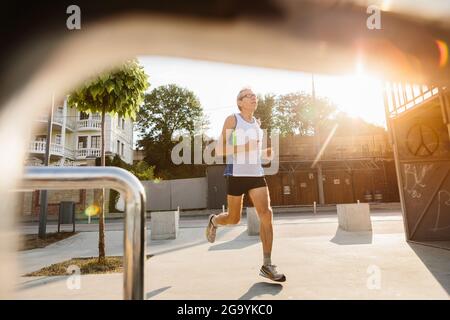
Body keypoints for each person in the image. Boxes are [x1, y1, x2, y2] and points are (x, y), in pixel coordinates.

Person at [205, 87, 286, 282]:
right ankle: (214, 221)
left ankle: (267, 265)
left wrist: (263, 154)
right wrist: (245, 147)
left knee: (266, 214)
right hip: (236, 174)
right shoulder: (233, 119)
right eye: (248, 95)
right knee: (233, 219)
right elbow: (218, 150)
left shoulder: (257, 124)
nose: (253, 97)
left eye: (254, 95)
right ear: (240, 102)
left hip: (256, 174)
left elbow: (252, 152)